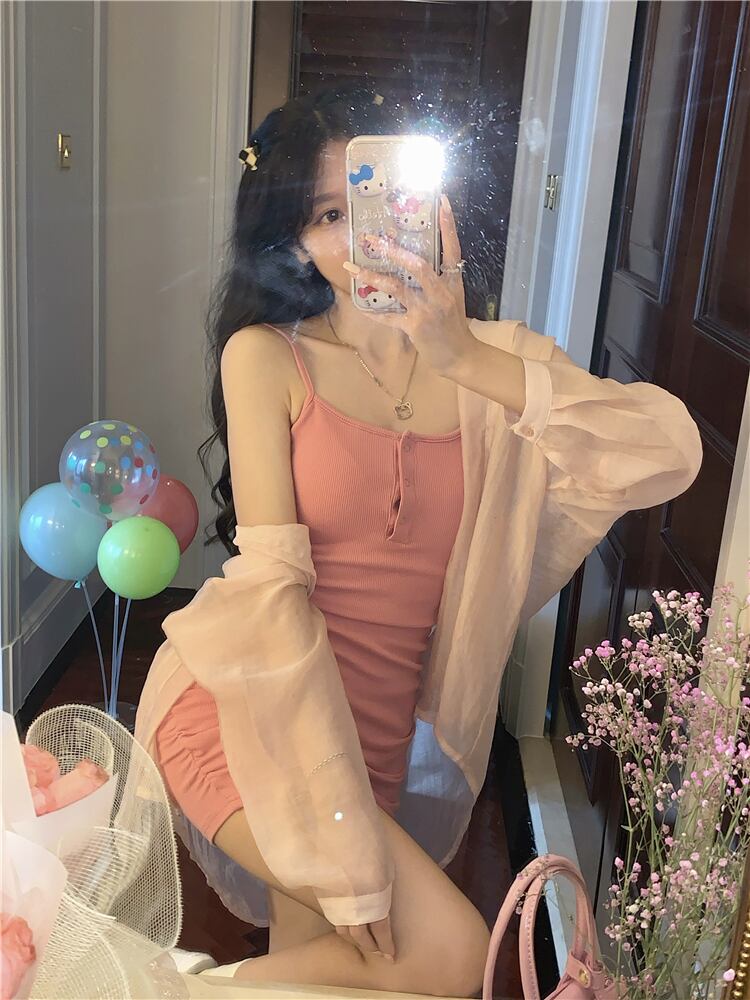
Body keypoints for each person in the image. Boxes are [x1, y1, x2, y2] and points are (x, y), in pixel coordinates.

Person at [134, 85, 703, 997]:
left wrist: (465, 357)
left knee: (321, 973)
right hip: (253, 709)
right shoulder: (267, 357)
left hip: (378, 740)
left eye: (376, 202)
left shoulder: (495, 360)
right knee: (448, 955)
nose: (363, 234)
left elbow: (668, 451)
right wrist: (336, 808)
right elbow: (274, 595)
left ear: (428, 207)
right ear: (296, 241)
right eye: (329, 214)